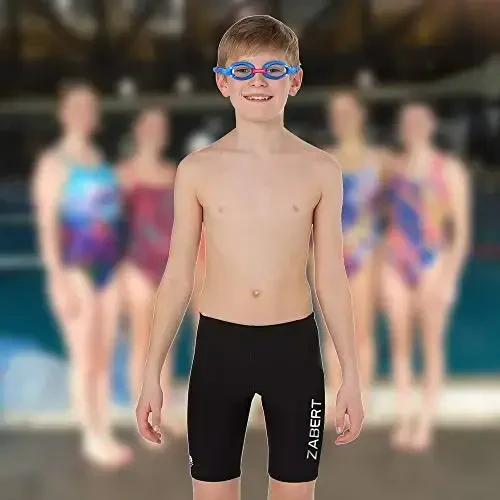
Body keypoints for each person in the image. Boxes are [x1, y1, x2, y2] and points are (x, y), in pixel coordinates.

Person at [136, 15, 364, 500]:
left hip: (294, 351)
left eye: (273, 70)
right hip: (220, 349)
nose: (258, 82)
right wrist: (152, 374)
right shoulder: (197, 170)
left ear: (294, 80)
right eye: (243, 71)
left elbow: (331, 276)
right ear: (223, 83)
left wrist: (351, 374)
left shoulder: (321, 170)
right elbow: (176, 277)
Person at [32, 81, 132, 468]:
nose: (84, 113)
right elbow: (47, 227)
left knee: (104, 354)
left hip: (108, 268)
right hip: (76, 269)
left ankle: (103, 428)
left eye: (90, 106)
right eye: (76, 106)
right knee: (84, 358)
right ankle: (91, 436)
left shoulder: (99, 160)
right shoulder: (53, 163)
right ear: (62, 113)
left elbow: (113, 220)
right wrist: (56, 282)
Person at [383, 101, 470, 452]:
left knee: (431, 344)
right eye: (407, 121)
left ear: (432, 124)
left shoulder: (450, 170)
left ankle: (424, 423)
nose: (413, 127)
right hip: (396, 261)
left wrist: (449, 278)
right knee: (400, 343)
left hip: (432, 260)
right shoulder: (393, 167)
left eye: (419, 120)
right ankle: (404, 418)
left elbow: (460, 232)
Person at [118, 107, 184, 438]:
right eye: (150, 126)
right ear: (138, 130)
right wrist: (116, 271)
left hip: (168, 266)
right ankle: (142, 418)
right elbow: (110, 227)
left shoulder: (173, 173)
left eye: (161, 126)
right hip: (136, 265)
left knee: (164, 342)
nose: (155, 132)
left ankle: (163, 411)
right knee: (142, 341)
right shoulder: (124, 175)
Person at [320, 91, 385, 413]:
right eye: (336, 113)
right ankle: (337, 401)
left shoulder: (381, 162)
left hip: (366, 254)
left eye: (347, 112)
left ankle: (362, 397)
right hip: (330, 257)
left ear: (361, 115)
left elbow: (396, 214)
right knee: (334, 332)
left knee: (362, 329)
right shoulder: (321, 161)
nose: (341, 119)